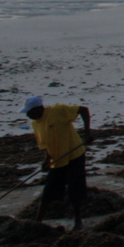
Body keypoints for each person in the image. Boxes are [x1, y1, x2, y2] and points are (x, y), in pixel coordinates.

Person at [24, 96, 91, 229]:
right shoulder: (36, 124)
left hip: (74, 155)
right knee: (49, 190)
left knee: (75, 188)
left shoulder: (58, 110)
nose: (28, 115)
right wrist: (46, 161)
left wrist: (87, 133)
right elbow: (45, 145)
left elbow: (83, 110)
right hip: (57, 160)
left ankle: (78, 221)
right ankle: (38, 221)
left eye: (29, 112)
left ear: (39, 109)